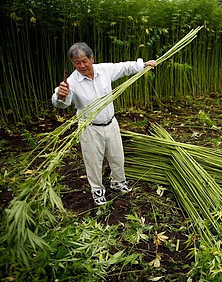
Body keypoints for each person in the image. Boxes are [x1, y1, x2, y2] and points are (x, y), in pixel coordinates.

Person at [52, 42, 156, 205]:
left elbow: (124, 67)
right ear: (73, 63)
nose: (82, 66)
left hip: (111, 123)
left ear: (92, 58)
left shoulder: (104, 70)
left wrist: (142, 65)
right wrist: (60, 95)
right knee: (93, 161)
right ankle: (97, 190)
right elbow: (62, 103)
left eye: (84, 61)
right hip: (90, 128)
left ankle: (118, 182)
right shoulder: (72, 82)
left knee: (117, 157)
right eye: (77, 63)